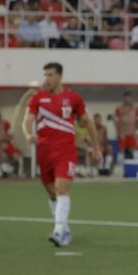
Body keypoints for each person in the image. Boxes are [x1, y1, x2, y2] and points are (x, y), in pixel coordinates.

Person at [22, 63, 101, 247]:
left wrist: (96, 148)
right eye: (45, 75)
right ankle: (64, 229)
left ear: (59, 76)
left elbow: (87, 123)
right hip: (44, 152)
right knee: (52, 194)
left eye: (50, 75)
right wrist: (28, 134)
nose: (46, 79)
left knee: (61, 189)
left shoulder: (73, 98)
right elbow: (28, 120)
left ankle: (58, 231)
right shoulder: (37, 98)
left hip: (65, 151)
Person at [0, 107, 21, 177]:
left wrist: (2, 140)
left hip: (6, 145)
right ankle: (4, 173)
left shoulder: (5, 123)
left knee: (16, 156)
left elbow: (11, 136)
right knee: (2, 154)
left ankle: (15, 174)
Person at [114, 92, 138, 159]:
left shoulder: (137, 109)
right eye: (126, 99)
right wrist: (119, 133)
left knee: (135, 150)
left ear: (132, 99)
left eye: (129, 98)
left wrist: (137, 132)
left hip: (132, 134)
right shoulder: (119, 109)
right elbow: (116, 122)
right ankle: (120, 167)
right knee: (121, 150)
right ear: (123, 99)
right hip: (122, 134)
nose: (127, 100)